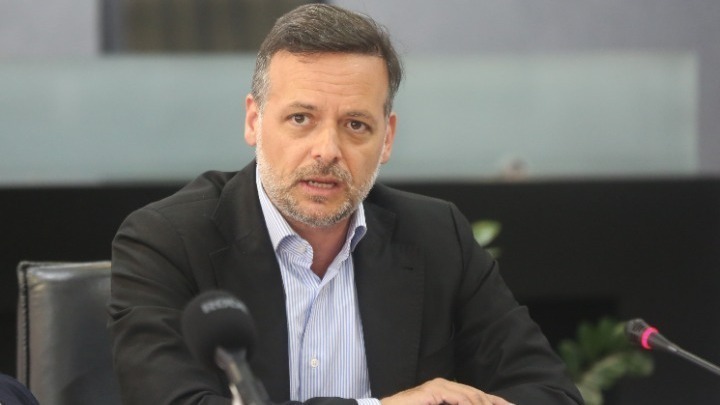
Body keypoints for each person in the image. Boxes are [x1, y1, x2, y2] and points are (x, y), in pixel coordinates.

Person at [108, 4, 583, 405]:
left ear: (387, 138)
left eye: (356, 125)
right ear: (254, 121)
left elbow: (549, 392)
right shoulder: (168, 240)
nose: (327, 151)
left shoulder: (438, 236)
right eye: (301, 118)